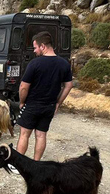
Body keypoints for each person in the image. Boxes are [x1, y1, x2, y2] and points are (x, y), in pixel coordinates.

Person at [15, 31, 73, 161]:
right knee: (41, 135)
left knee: (24, 134)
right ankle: (36, 164)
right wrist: (58, 103)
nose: (34, 51)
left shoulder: (34, 64)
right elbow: (68, 86)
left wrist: (22, 102)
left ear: (43, 46)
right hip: (49, 106)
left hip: (32, 105)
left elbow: (23, 87)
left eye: (35, 47)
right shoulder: (64, 64)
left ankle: (17, 164)